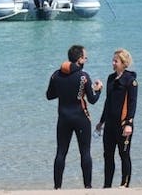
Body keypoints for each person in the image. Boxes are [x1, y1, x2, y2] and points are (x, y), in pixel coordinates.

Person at [46, 45, 103, 189]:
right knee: (85, 153)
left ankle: (57, 188)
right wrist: (99, 90)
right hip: (81, 118)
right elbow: (93, 100)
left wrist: (64, 91)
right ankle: (88, 187)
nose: (86, 59)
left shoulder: (56, 75)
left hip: (63, 118)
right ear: (79, 59)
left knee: (61, 152)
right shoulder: (84, 77)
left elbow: (49, 95)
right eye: (85, 57)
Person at [95, 48, 138, 188]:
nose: (113, 63)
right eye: (113, 60)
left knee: (124, 154)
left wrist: (129, 123)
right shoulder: (110, 78)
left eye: (116, 61)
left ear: (124, 63)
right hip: (110, 125)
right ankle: (107, 185)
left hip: (123, 124)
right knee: (107, 156)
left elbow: (132, 103)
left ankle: (124, 184)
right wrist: (101, 122)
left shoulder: (130, 81)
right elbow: (108, 102)